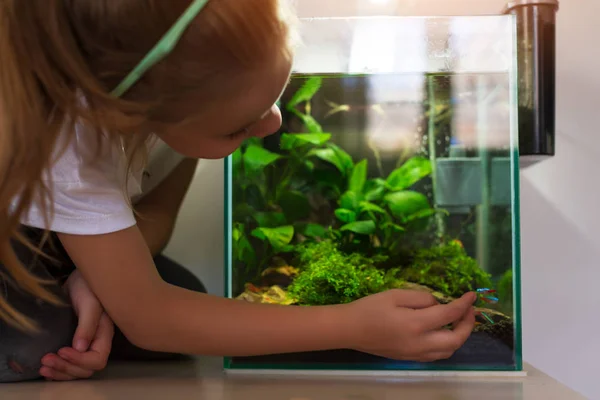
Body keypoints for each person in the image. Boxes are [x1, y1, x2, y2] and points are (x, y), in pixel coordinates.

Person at [0, 0, 477, 383]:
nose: (272, 122)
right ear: (130, 114)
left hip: (52, 243)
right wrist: (353, 326)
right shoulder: (73, 142)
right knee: (39, 338)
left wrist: (100, 278)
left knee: (185, 294)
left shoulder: (180, 84)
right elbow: (152, 320)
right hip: (12, 242)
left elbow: (158, 218)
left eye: (275, 97)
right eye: (237, 129)